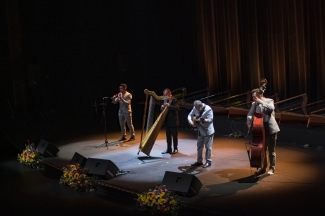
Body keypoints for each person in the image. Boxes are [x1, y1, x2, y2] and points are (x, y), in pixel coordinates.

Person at [246, 88, 280, 175]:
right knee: (262, 149)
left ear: (259, 96)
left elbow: (271, 108)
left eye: (254, 97)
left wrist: (261, 102)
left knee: (271, 150)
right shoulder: (254, 104)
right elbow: (250, 114)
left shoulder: (269, 101)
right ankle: (263, 167)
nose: (253, 99)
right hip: (260, 129)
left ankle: (272, 168)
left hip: (270, 128)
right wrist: (249, 120)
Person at [187, 100, 215, 168]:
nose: (196, 109)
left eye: (197, 108)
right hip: (200, 130)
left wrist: (204, 120)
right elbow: (189, 115)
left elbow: (210, 119)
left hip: (207, 131)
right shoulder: (195, 107)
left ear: (200, 106)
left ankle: (208, 162)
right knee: (199, 146)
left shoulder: (208, 109)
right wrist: (190, 121)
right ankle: (199, 161)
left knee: (208, 147)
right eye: (195, 108)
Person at [161, 88, 179, 154]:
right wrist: (162, 107)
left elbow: (176, 108)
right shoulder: (165, 100)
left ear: (169, 93)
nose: (165, 96)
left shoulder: (174, 99)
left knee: (174, 136)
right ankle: (169, 149)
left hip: (173, 121)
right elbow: (164, 110)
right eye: (164, 95)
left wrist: (169, 106)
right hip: (167, 122)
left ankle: (175, 149)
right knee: (168, 137)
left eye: (166, 94)